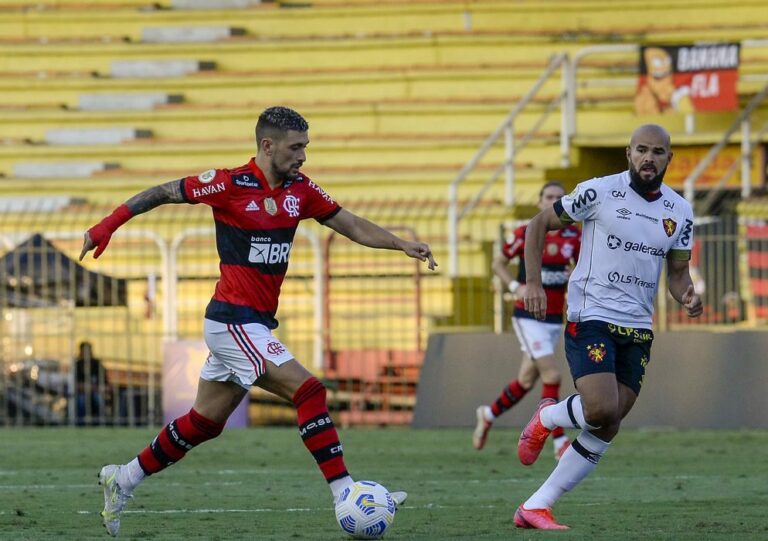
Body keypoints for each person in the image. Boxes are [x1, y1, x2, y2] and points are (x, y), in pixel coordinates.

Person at [79, 106, 436, 537]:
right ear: (268, 146)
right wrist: (105, 227)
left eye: (305, 147)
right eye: (296, 147)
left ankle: (124, 477)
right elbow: (161, 192)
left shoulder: (300, 190)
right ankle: (346, 492)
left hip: (255, 324)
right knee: (309, 390)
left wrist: (401, 244)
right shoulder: (228, 184)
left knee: (205, 423)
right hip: (232, 321)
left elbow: (349, 224)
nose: (303, 156)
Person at [513, 124, 702, 530]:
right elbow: (537, 225)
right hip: (592, 315)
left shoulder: (680, 211)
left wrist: (687, 294)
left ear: (670, 158)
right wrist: (531, 282)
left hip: (638, 327)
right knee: (600, 408)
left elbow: (677, 274)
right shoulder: (599, 192)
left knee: (609, 423)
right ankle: (548, 418)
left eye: (657, 152)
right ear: (628, 154)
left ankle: (536, 506)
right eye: (641, 150)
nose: (648, 158)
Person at [472, 182, 580, 461]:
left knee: (526, 380)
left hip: (554, 318)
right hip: (527, 316)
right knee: (552, 375)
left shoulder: (572, 236)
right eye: (549, 197)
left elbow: (580, 270)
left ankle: (489, 414)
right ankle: (558, 442)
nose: (554, 201)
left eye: (560, 198)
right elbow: (498, 263)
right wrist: (514, 287)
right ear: (540, 202)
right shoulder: (525, 233)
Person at [74, 341, 110, 426]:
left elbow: (105, 383)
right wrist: (88, 387)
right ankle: (80, 424)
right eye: (84, 351)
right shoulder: (77, 365)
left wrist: (94, 388)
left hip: (96, 392)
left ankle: (101, 423)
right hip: (81, 393)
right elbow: (75, 385)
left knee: (99, 400)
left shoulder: (97, 364)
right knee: (81, 401)